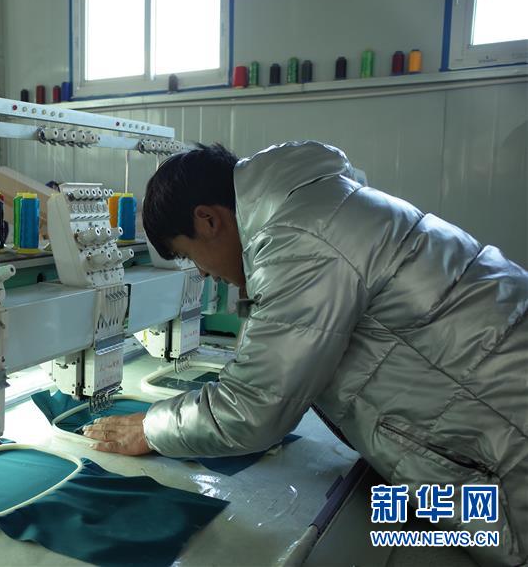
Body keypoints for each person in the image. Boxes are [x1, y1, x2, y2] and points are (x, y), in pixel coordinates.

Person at [83, 141, 527, 566]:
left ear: (208, 220)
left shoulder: (298, 239)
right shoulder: (317, 205)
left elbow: (253, 408)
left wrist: (151, 428)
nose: (202, 271)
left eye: (189, 254)